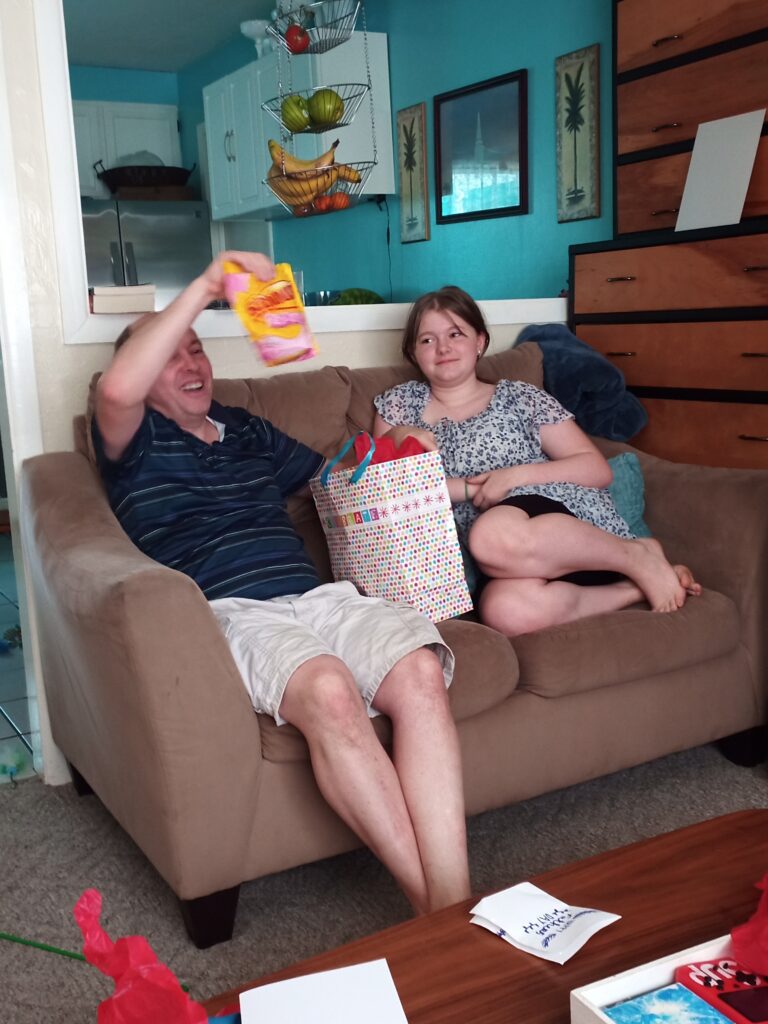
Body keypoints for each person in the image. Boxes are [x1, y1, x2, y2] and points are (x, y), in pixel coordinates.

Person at [92, 252, 470, 915]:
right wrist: (206, 284)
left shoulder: (245, 427)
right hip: (232, 609)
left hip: (319, 598)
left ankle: (454, 899)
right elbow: (117, 390)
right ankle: (441, 915)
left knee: (418, 670)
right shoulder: (134, 441)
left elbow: (339, 479)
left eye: (197, 349)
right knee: (327, 689)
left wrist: (401, 445)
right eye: (170, 356)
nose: (192, 363)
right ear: (144, 373)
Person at [373, 285, 701, 638]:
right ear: (413, 352)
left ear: (480, 341)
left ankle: (631, 555)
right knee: (505, 611)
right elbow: (384, 491)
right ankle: (635, 584)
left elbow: (596, 469)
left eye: (456, 334)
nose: (443, 348)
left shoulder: (519, 397)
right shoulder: (399, 406)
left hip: (564, 524)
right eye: (427, 340)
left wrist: (513, 477)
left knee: (492, 535)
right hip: (510, 561)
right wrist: (416, 449)